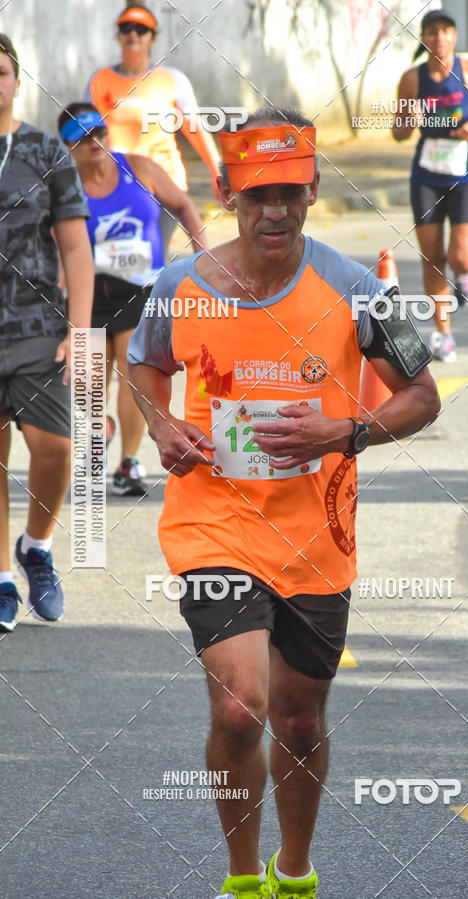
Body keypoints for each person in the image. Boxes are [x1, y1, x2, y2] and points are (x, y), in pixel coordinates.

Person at [128, 106, 440, 898]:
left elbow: (423, 396)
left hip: (316, 534)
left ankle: (293, 873)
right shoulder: (182, 288)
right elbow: (144, 365)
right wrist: (162, 425)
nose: (275, 210)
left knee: (299, 721)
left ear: (313, 189)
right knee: (240, 709)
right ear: (228, 190)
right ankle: (241, 880)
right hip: (213, 519)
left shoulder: (355, 289)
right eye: (258, 193)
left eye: (290, 193)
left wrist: (346, 429)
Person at [58, 102, 209, 496]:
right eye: (83, 138)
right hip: (89, 291)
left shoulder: (138, 168)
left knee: (133, 370)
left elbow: (183, 205)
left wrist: (202, 255)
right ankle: (96, 444)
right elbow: (56, 243)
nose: (95, 143)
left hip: (139, 289)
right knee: (90, 383)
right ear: (68, 147)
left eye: (99, 133)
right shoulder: (64, 185)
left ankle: (128, 462)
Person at [0, 36, 93, 633]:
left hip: (37, 326)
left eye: (1, 72)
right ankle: (2, 582)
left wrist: (80, 332)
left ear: (16, 80)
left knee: (54, 449)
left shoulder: (45, 151)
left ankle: (36, 546)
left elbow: (76, 245)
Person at [392, 8, 468, 362]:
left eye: (445, 31)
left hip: (466, 174)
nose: (438, 38)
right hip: (426, 176)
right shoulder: (412, 79)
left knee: (460, 257)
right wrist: (408, 122)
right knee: (432, 258)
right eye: (431, 32)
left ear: (454, 36)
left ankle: (465, 274)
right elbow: (397, 134)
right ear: (424, 39)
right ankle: (443, 334)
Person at [84, 4, 221, 252]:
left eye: (141, 29)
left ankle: (185, 283)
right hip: (117, 182)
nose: (133, 34)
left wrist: (218, 170)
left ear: (153, 37)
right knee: (118, 257)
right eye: (126, 28)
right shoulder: (99, 80)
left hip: (165, 182)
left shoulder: (171, 79)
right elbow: (84, 135)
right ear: (118, 35)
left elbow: (195, 128)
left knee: (153, 254)